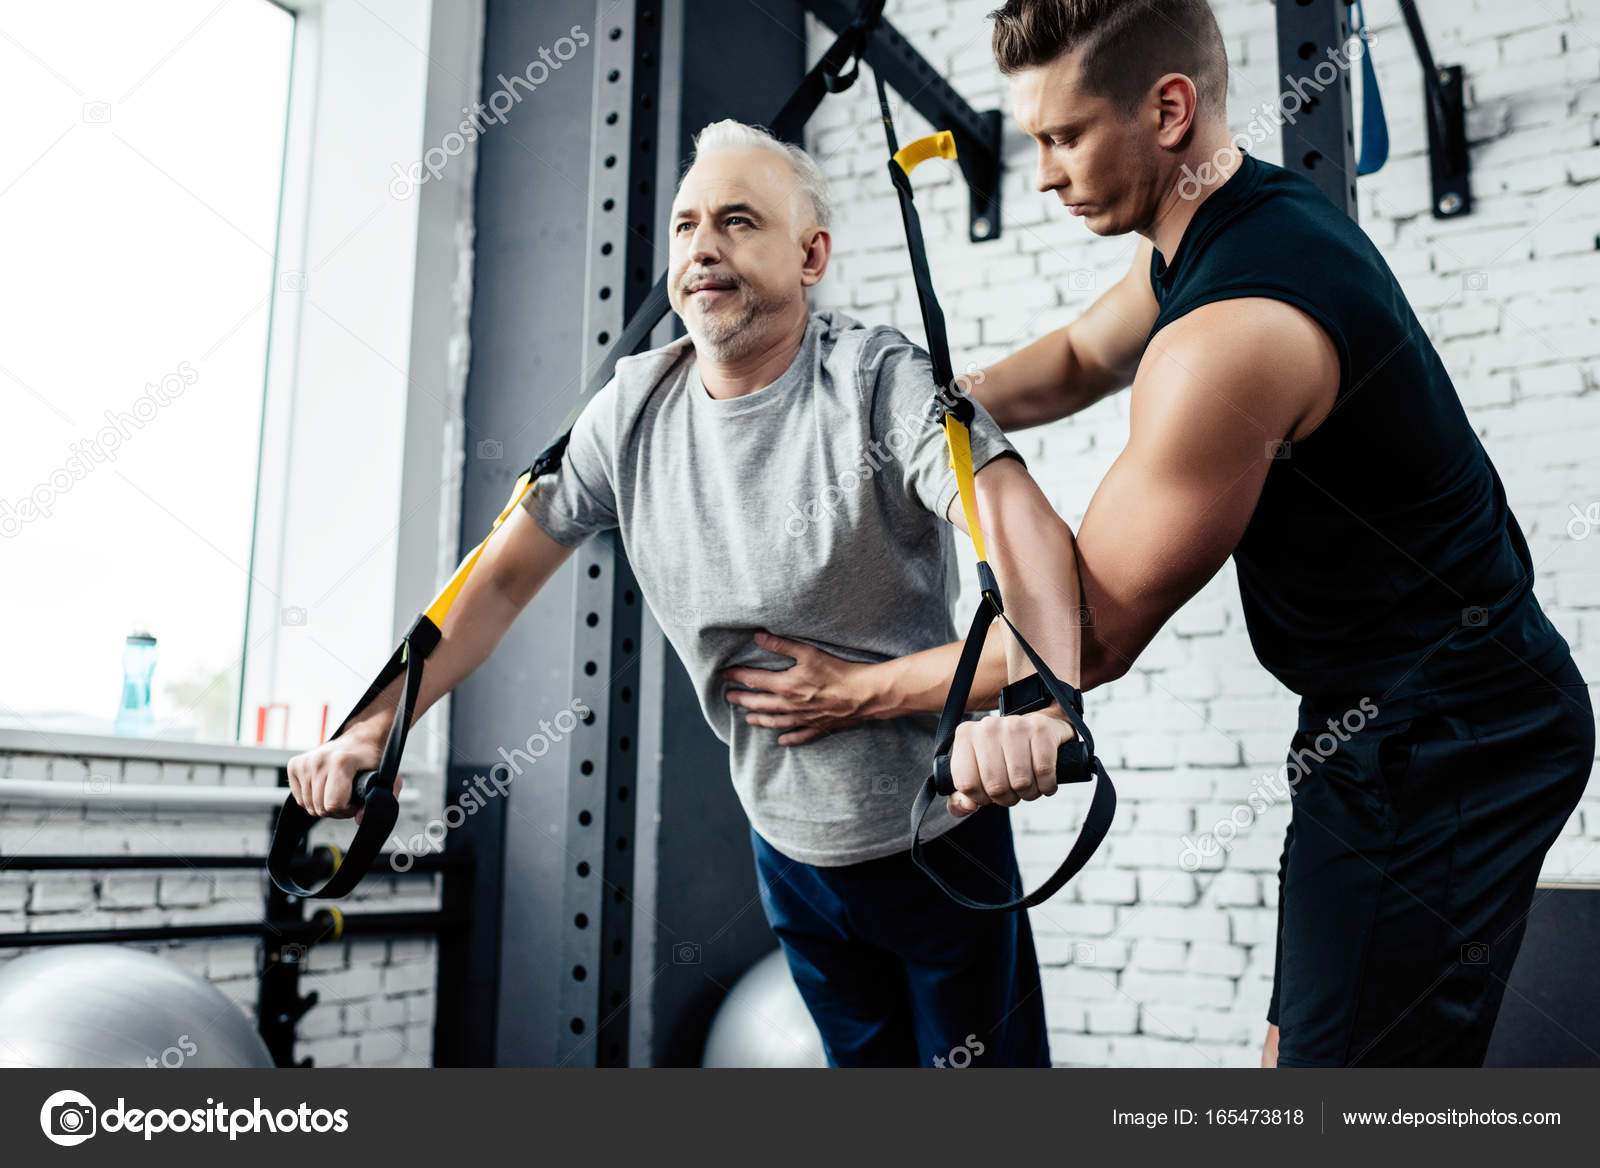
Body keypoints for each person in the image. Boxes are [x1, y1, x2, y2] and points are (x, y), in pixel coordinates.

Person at [746, 0, 1593, 1068]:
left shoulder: (1230, 341)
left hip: (1453, 742)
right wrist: (898, 420)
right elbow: (1071, 361)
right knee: (1302, 1054)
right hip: (1386, 721)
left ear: (1169, 109)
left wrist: (851, 693)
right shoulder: (1227, 225)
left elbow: (1084, 634)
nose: (1044, 172)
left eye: (1063, 136)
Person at [285, 119, 1090, 1068]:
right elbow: (496, 579)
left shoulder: (876, 383)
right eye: (685, 225)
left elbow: (1025, 534)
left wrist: (1041, 697)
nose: (703, 246)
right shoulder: (629, 410)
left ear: (811, 254)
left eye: (739, 221)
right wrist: (378, 725)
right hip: (788, 851)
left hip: (938, 844)